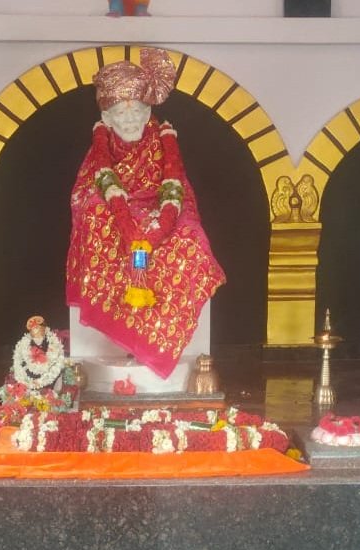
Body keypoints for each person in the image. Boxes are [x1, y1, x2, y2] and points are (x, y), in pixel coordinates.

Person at [65, 48, 225, 379]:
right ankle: (121, 330)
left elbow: (177, 187)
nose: (130, 121)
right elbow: (86, 193)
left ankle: (158, 342)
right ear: (106, 118)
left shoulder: (163, 141)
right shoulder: (100, 149)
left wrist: (163, 220)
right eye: (120, 115)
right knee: (94, 212)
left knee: (192, 236)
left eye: (136, 112)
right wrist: (117, 213)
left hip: (160, 208)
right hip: (118, 212)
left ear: (148, 111)